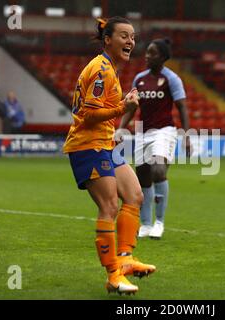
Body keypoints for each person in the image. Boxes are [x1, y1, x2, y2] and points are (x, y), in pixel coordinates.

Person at [63, 17, 156, 295]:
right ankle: (113, 275)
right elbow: (87, 115)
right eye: (124, 36)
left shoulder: (109, 70)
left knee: (134, 195)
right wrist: (121, 108)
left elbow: (106, 110)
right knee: (109, 207)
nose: (131, 42)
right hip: (87, 145)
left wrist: (125, 105)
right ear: (108, 40)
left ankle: (125, 260)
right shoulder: (101, 69)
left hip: (103, 144)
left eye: (133, 37)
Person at [117, 38, 191, 239]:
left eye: (152, 53)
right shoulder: (139, 79)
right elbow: (132, 106)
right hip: (142, 132)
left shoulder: (171, 79)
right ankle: (146, 224)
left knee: (158, 170)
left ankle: (159, 222)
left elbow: (182, 107)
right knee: (142, 178)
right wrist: (121, 128)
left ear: (163, 57)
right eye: (147, 52)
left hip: (164, 131)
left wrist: (186, 135)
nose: (147, 56)